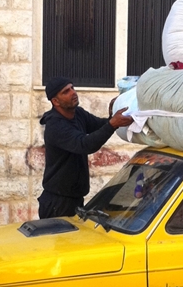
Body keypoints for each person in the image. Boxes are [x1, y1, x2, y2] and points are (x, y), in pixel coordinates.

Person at [38, 78, 133, 219]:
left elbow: (101, 125)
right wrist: (113, 124)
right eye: (66, 92)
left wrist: (113, 116)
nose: (73, 93)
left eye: (72, 88)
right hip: (57, 204)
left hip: (74, 200)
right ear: (55, 101)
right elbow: (85, 144)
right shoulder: (55, 126)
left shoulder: (78, 114)